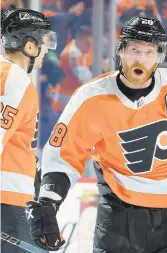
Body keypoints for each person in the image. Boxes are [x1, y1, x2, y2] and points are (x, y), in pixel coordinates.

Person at [25, 16, 167, 253]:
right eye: (134, 50)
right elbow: (62, 157)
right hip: (119, 219)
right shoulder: (91, 98)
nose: (140, 59)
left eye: (149, 52)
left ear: (159, 57)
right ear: (121, 51)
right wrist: (48, 203)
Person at [0, 8, 57, 253]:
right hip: (7, 204)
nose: (47, 49)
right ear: (30, 46)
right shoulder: (13, 78)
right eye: (44, 42)